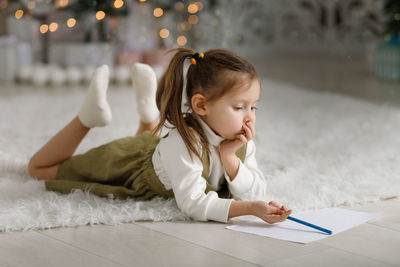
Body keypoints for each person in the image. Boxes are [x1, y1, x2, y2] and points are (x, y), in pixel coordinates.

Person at [28, 48, 292, 224]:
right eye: (239, 107)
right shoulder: (184, 143)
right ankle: (87, 118)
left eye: (253, 106)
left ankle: (148, 117)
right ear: (201, 106)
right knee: (39, 169)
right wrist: (250, 210)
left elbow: (256, 190)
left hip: (160, 151)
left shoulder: (240, 143)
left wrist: (230, 159)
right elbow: (194, 204)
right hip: (130, 163)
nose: (250, 118)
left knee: (152, 141)